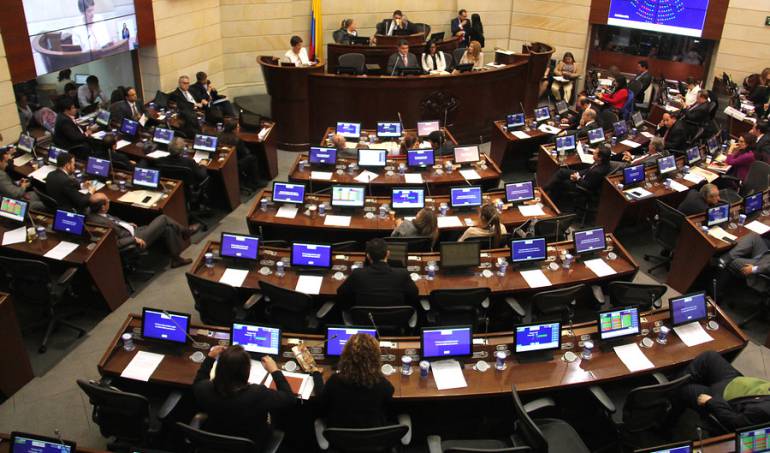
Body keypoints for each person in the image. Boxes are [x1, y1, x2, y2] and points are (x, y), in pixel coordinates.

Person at [193, 345, 296, 446]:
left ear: (219, 368)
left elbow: (199, 380)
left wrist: (210, 357)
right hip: (250, 444)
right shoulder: (257, 394)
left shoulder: (205, 389)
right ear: (246, 371)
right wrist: (275, 371)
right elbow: (289, 398)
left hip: (213, 442)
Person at [675, 351, 770, 430]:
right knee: (709, 357)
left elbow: (735, 422)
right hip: (736, 382)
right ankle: (673, 386)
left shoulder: (763, 410)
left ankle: (670, 404)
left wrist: (711, 402)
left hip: (723, 400)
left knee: (686, 389)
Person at [88, 198, 195, 268]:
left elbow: (115, 221)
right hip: (133, 239)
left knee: (167, 228)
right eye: (107, 201)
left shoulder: (96, 214)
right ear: (103, 207)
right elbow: (114, 243)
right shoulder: (100, 223)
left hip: (132, 231)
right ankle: (186, 232)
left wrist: (126, 224)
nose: (109, 201)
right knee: (163, 218)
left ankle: (176, 259)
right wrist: (134, 239)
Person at [315, 333, 394, 428]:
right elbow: (388, 406)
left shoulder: (335, 381)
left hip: (340, 434)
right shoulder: (382, 384)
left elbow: (321, 403)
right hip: (374, 434)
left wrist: (316, 375)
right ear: (376, 357)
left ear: (346, 355)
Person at [336, 238, 419, 309]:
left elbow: (341, 292)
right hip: (395, 318)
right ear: (388, 254)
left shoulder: (357, 273)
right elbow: (414, 294)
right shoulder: (402, 274)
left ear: (368, 256)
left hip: (365, 319)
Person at [545, 144, 612, 208]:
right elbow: (588, 170)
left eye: (595, 153)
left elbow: (587, 185)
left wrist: (577, 179)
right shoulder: (601, 162)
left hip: (582, 187)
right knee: (562, 171)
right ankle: (545, 189)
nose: (593, 152)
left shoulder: (598, 171)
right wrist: (577, 174)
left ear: (600, 158)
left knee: (559, 183)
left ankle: (550, 202)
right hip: (582, 177)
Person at [218, 119, 261, 189]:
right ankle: (255, 182)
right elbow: (245, 153)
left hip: (222, 161)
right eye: (237, 127)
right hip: (234, 163)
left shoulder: (219, 135)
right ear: (234, 129)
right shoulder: (236, 139)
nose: (239, 128)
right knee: (252, 158)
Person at [0, 147, 44, 211]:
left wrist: (18, 183)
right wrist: (23, 186)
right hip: (8, 205)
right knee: (41, 205)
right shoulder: (1, 176)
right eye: (5, 162)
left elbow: (6, 187)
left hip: (8, 196)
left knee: (36, 194)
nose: (6, 164)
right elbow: (15, 194)